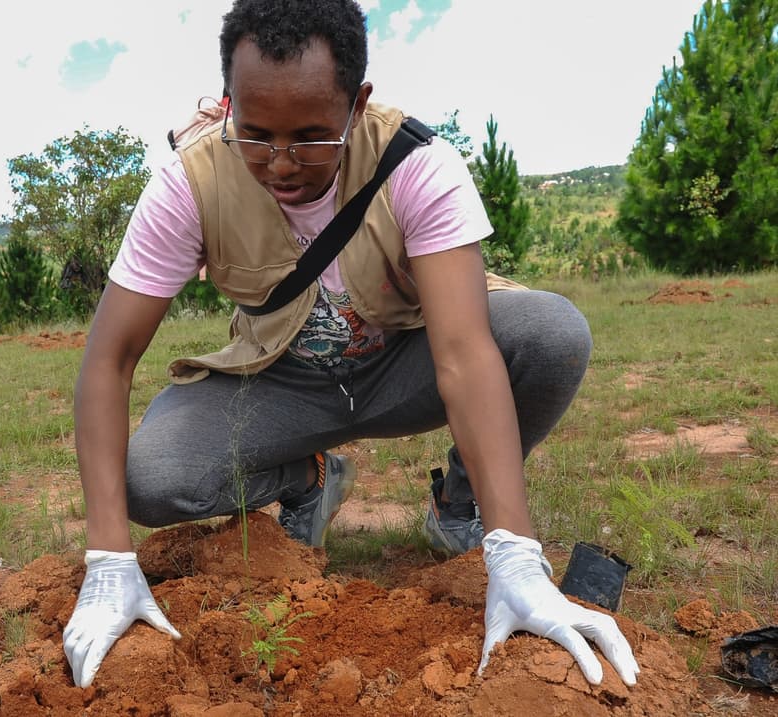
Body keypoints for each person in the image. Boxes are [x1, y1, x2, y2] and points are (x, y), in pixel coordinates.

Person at [63, 0, 639, 692]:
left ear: (357, 102)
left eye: (310, 137)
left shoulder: (419, 165)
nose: (280, 163)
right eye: (255, 135)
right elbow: (108, 360)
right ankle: (309, 478)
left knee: (550, 334)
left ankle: (460, 507)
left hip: (406, 367)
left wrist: (514, 557)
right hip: (281, 382)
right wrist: (108, 562)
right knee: (148, 478)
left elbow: (462, 353)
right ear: (227, 103)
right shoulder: (189, 184)